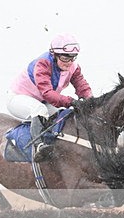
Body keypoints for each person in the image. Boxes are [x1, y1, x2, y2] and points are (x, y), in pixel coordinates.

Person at [8, 33, 94, 162]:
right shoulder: (42, 64)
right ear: (54, 54)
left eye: (73, 58)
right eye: (65, 58)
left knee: (62, 115)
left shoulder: (74, 67)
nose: (69, 62)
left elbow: (82, 86)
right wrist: (71, 101)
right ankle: (38, 146)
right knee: (39, 109)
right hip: (18, 98)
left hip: (43, 101)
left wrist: (91, 101)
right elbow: (47, 93)